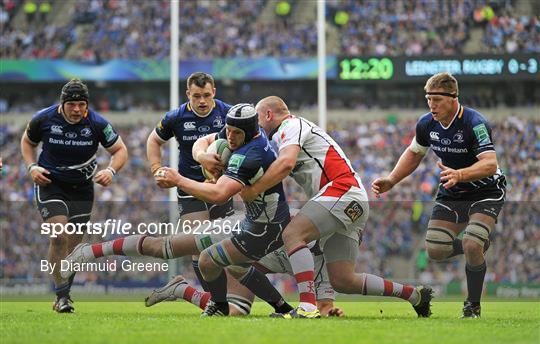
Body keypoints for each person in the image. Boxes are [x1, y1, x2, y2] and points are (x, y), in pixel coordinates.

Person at [62, 104, 293, 317]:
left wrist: (178, 179)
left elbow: (220, 194)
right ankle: (89, 251)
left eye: (235, 133)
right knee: (167, 247)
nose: (229, 137)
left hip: (255, 228)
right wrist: (203, 157)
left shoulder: (249, 155)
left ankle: (183, 290)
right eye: (228, 131)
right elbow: (200, 143)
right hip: (247, 226)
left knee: (237, 307)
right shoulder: (239, 134)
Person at [240, 96, 433, 319]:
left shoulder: (290, 125)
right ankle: (416, 296)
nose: (257, 127)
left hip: (342, 191)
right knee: (343, 279)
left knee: (293, 233)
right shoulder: (285, 135)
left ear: (268, 115)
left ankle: (307, 308)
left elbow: (286, 164)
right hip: (351, 200)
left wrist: (253, 190)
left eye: (258, 120)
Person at [372, 72, 505, 318]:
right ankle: (476, 245)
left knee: (471, 242)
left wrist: (461, 174)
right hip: (452, 190)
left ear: (453, 98)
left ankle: (472, 306)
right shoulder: (426, 124)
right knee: (435, 250)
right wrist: (392, 179)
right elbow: (414, 153)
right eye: (428, 99)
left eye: (437, 99)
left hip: (486, 190)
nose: (431, 105)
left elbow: (490, 164)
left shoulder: (475, 122)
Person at [146, 71, 253, 312]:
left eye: (206, 95)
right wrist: (156, 168)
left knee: (222, 245)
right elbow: (153, 141)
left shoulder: (228, 113)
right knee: (198, 243)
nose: (202, 101)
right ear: (188, 95)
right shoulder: (176, 117)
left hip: (220, 187)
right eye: (196, 96)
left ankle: (209, 298)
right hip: (189, 187)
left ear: (214, 92)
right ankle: (215, 302)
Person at [20, 78, 128, 313]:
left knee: (73, 247)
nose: (77, 109)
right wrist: (31, 167)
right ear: (62, 104)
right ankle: (62, 297)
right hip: (50, 184)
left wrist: (111, 170)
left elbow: (120, 150)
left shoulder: (98, 123)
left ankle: (63, 294)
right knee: (58, 235)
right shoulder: (44, 118)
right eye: (72, 105)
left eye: (82, 104)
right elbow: (27, 142)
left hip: (82, 189)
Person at [145, 241, 345, 317]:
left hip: (253, 265)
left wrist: (331, 311)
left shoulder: (331, 265)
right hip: (247, 257)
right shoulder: (300, 226)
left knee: (234, 312)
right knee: (230, 308)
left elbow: (325, 306)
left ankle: (181, 289)